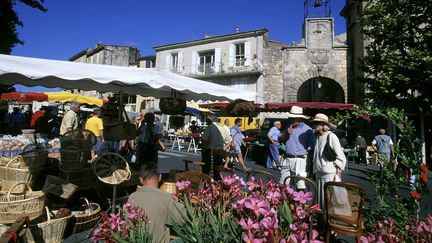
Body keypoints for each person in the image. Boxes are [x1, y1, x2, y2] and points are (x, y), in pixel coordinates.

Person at [128, 164, 185, 243]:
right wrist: (179, 201)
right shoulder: (165, 198)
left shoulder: (132, 197)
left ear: (141, 180)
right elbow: (185, 219)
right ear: (160, 177)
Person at [312, 113, 346, 208]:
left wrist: (338, 171)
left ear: (323, 125)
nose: (315, 125)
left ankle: (327, 220)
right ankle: (322, 221)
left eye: (317, 123)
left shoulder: (331, 136)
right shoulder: (318, 137)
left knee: (328, 201)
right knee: (320, 201)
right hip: (319, 174)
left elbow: (340, 156)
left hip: (328, 174)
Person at [280, 106, 316, 189]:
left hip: (300, 159)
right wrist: (287, 133)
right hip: (288, 158)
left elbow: (311, 148)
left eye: (293, 118)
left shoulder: (308, 130)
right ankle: (285, 201)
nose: (291, 120)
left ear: (299, 118)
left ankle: (299, 201)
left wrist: (310, 166)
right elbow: (280, 140)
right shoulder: (289, 126)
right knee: (283, 184)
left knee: (300, 185)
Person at [201, 114, 231, 180]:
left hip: (211, 153)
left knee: (205, 169)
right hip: (219, 153)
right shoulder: (223, 127)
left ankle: (205, 182)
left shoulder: (209, 127)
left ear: (210, 120)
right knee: (216, 171)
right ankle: (217, 184)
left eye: (207, 119)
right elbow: (230, 140)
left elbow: (204, 140)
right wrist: (223, 149)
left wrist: (203, 150)